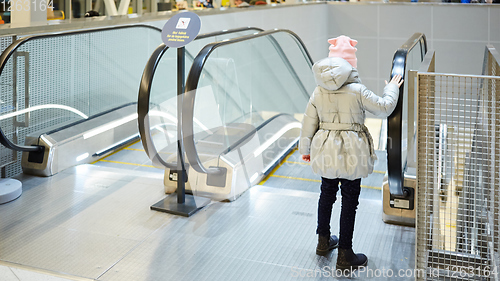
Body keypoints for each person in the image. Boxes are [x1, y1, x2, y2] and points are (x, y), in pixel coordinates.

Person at [299, 35, 403, 270]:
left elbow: (308, 122)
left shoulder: (318, 91)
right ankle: (345, 253)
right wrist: (391, 88)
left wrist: (305, 149)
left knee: (326, 193)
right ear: (350, 65)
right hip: (352, 152)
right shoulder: (357, 90)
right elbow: (385, 107)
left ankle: (323, 241)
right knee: (349, 200)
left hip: (325, 148)